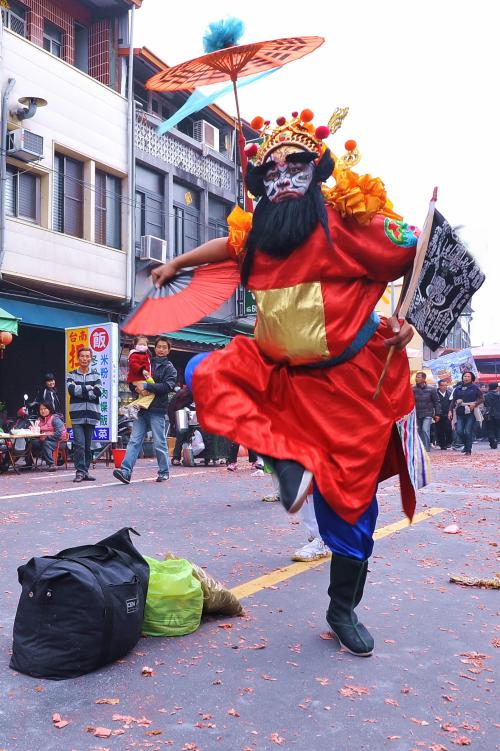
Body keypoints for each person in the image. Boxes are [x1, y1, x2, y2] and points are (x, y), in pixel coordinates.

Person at [151, 109, 429, 657]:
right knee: (205, 370)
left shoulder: (350, 223)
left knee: (348, 508)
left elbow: (422, 251)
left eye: (294, 164)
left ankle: (342, 608)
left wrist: (412, 316)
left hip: (348, 388)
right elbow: (226, 248)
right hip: (279, 376)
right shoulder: (260, 235)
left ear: (316, 169)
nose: (281, 176)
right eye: (269, 169)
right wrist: (175, 263)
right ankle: (283, 459)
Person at [113, 336, 177, 484]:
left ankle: (164, 471)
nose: (161, 349)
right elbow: (133, 378)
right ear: (154, 347)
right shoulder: (146, 360)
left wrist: (147, 386)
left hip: (157, 409)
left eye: (164, 347)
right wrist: (134, 387)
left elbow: (168, 386)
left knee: (159, 442)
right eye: (159, 346)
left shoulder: (170, 368)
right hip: (141, 407)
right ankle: (125, 472)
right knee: (134, 441)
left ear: (168, 350)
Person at [67, 347, 102, 482]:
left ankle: (85, 471)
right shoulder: (71, 374)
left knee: (88, 446)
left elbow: (98, 392)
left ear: (91, 358)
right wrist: (89, 388)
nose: (85, 359)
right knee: (79, 444)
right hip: (77, 415)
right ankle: (79, 472)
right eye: (82, 356)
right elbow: (71, 390)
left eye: (87, 356)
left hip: (92, 415)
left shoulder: (96, 375)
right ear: (78, 358)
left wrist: (81, 389)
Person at [448, 371, 483, 455]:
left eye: (468, 376)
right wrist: (450, 411)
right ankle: (466, 445)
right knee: (459, 431)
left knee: (467, 431)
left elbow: (482, 399)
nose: (466, 378)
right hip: (460, 411)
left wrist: (475, 404)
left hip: (471, 412)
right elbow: (453, 401)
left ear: (471, 378)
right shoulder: (457, 388)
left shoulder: (475, 388)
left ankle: (468, 450)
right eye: (464, 376)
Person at [30, 401, 67, 471]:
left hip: (58, 441)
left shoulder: (55, 419)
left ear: (49, 409)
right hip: (44, 440)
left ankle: (51, 464)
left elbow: (59, 434)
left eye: (45, 409)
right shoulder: (39, 420)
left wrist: (46, 437)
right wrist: (33, 429)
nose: (43, 411)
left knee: (46, 443)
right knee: (31, 442)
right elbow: (38, 432)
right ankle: (28, 464)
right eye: (41, 409)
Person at [126, 335, 155, 412]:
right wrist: (142, 370)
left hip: (144, 378)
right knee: (151, 393)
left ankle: (128, 408)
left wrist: (150, 376)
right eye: (140, 344)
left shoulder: (146, 355)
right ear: (135, 345)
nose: (142, 346)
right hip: (138, 379)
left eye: (144, 344)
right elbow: (133, 364)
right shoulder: (134, 354)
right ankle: (134, 407)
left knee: (142, 396)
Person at [412, 372, 440, 451]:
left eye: (418, 377)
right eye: (416, 377)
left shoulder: (431, 389)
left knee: (425, 429)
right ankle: (421, 447)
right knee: (419, 430)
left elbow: (436, 402)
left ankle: (426, 447)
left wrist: (437, 414)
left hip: (428, 413)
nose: (416, 378)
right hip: (417, 413)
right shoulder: (412, 389)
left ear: (424, 379)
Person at [435, 378, 453, 449]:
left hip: (447, 413)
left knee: (448, 429)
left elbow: (452, 403)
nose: (444, 387)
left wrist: (451, 411)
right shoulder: (435, 393)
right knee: (439, 430)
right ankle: (442, 444)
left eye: (446, 385)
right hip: (438, 414)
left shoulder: (449, 393)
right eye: (442, 385)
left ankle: (449, 442)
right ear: (439, 386)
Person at [484, 382, 500, 449]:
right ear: (497, 387)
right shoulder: (499, 395)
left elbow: (485, 404)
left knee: (490, 429)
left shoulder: (486, 395)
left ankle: (492, 440)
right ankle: (497, 439)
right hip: (498, 414)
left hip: (489, 414)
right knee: (497, 428)